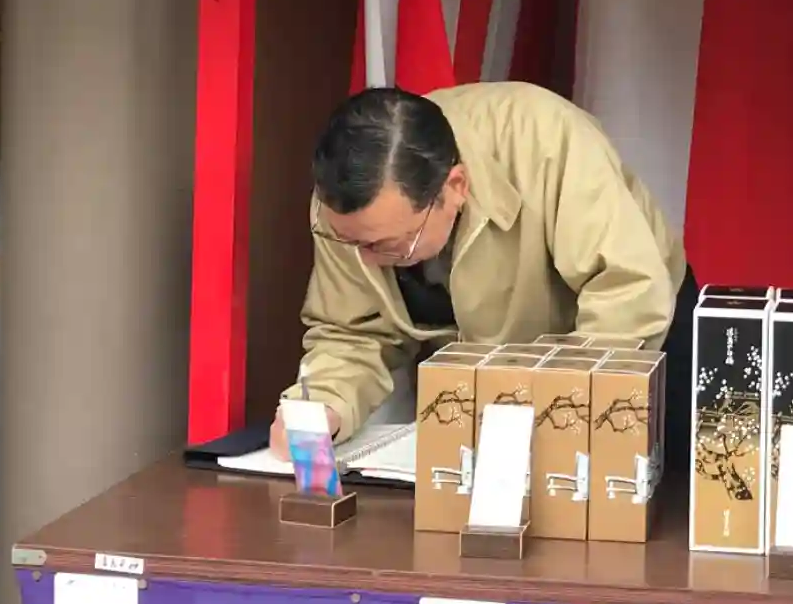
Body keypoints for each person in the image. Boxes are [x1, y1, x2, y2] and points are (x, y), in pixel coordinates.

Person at [271, 83, 695, 472]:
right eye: (353, 244)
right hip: (489, 381)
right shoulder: (344, 210)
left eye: (390, 245)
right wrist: (322, 405)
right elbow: (352, 332)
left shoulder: (546, 141)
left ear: (455, 187)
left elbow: (628, 291)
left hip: (637, 335)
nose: (367, 261)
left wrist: (554, 411)